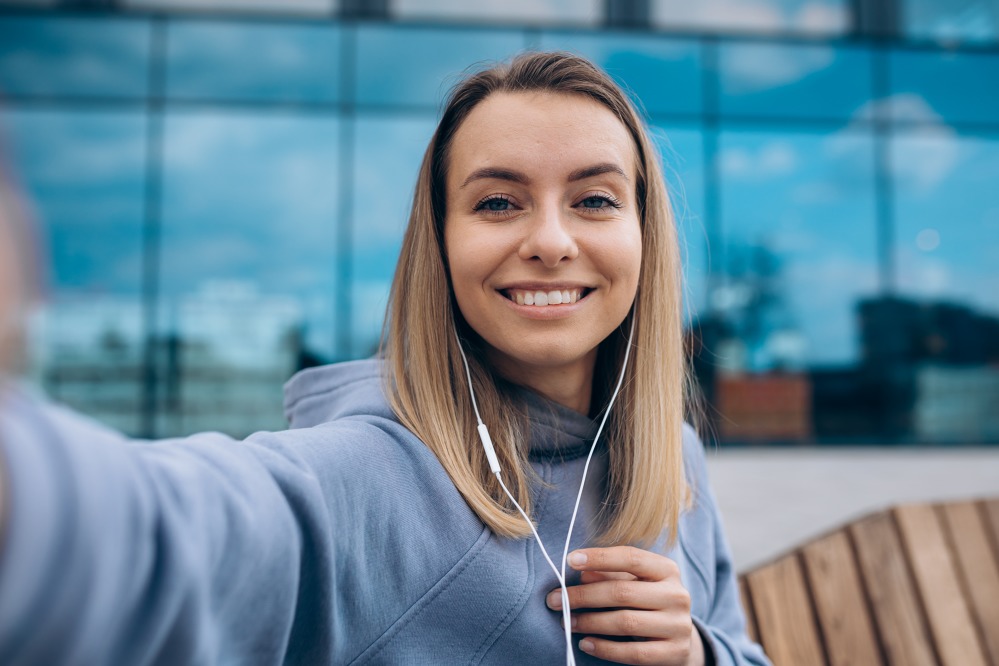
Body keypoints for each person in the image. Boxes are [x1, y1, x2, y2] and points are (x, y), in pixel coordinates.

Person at [0, 52, 770, 665]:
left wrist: (700, 654)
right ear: (438, 243)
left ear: (645, 237)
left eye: (594, 200)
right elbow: (163, 533)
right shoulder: (368, 474)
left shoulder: (673, 457)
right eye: (497, 202)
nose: (550, 240)